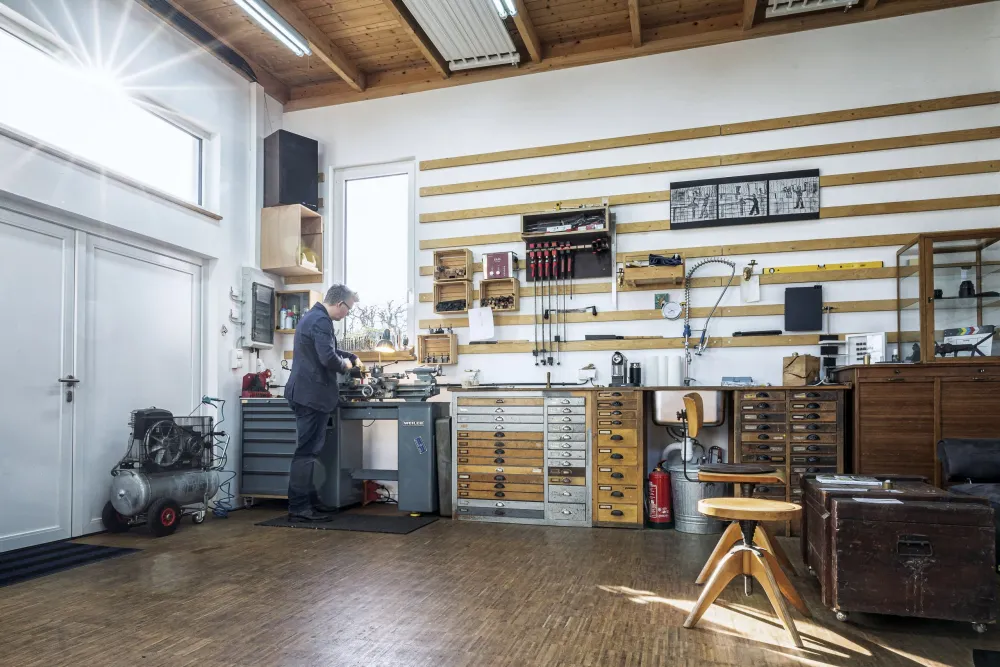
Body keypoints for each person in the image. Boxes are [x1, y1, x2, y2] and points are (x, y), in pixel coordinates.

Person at [283, 284, 363, 522]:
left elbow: (327, 348)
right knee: (306, 453)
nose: (347, 313)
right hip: (310, 396)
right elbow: (327, 357)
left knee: (310, 453)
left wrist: (350, 356)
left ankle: (310, 503)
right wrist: (347, 366)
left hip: (309, 395)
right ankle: (298, 508)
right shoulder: (320, 320)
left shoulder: (315, 317)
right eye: (348, 309)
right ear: (340, 304)